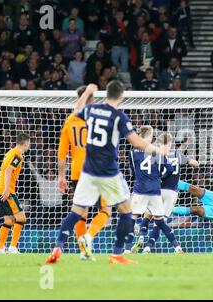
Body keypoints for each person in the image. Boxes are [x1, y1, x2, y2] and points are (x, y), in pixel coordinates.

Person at [46, 80, 169, 265]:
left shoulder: (92, 111)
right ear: (121, 96)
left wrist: (87, 91)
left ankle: (57, 248)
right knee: (126, 210)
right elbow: (136, 142)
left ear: (106, 94)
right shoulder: (119, 117)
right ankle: (116, 254)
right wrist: (158, 150)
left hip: (87, 171)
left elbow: (76, 110)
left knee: (76, 212)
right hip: (109, 172)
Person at [57, 85, 111, 260]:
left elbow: (62, 155)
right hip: (96, 170)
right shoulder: (96, 118)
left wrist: (61, 176)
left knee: (81, 212)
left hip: (76, 172)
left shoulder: (70, 121)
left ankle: (83, 252)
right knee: (106, 210)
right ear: (90, 100)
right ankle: (89, 237)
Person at [132, 132, 199, 254]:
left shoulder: (155, 154)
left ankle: (141, 235)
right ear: (171, 144)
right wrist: (192, 162)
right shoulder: (177, 155)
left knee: (148, 215)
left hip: (158, 189)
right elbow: (194, 163)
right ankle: (148, 247)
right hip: (172, 192)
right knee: (160, 222)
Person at [123, 127, 174, 253]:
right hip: (155, 189)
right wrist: (160, 177)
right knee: (159, 220)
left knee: (132, 217)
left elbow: (133, 171)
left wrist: (141, 178)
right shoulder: (157, 152)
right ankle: (176, 246)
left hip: (140, 188)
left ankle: (127, 249)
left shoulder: (132, 152)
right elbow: (169, 169)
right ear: (150, 137)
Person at [0, 133, 31, 254]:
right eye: (28, 144)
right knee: (21, 218)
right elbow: (8, 171)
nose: (29, 146)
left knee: (9, 221)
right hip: (6, 191)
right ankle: (13, 247)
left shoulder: (9, 152)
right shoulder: (18, 155)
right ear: (25, 144)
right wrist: (6, 189)